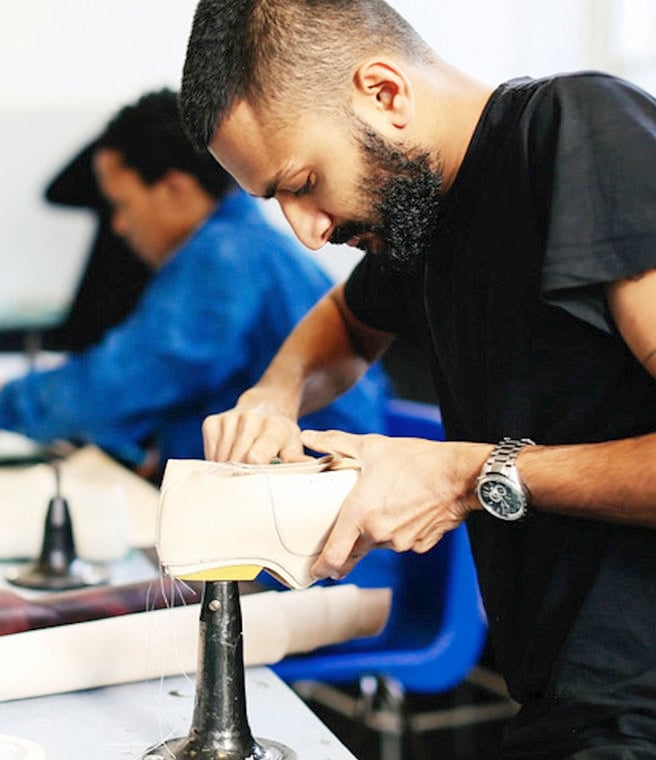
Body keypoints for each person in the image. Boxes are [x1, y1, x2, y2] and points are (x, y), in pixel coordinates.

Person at [179, 1, 656, 756]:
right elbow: (345, 319)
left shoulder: (577, 135)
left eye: (303, 182)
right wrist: (273, 397)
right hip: (563, 704)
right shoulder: (424, 214)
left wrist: (470, 475)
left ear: (385, 93)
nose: (308, 229)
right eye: (277, 202)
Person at [0, 89, 392, 478]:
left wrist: (0, 403)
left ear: (174, 189)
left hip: (305, 545)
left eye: (121, 204)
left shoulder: (223, 258)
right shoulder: (247, 245)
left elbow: (120, 385)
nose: (118, 225)